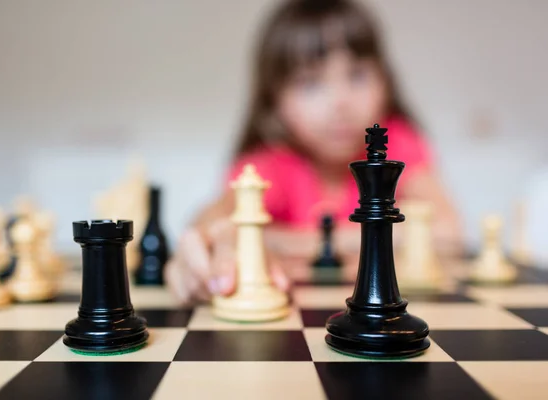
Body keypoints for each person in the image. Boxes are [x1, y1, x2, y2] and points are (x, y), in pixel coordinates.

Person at [165, 0, 463, 304]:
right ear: (274, 105)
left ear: (386, 80)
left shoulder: (395, 142)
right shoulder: (273, 161)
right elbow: (215, 221)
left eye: (357, 75)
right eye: (310, 83)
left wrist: (285, 240)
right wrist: (206, 245)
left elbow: (447, 231)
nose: (340, 101)